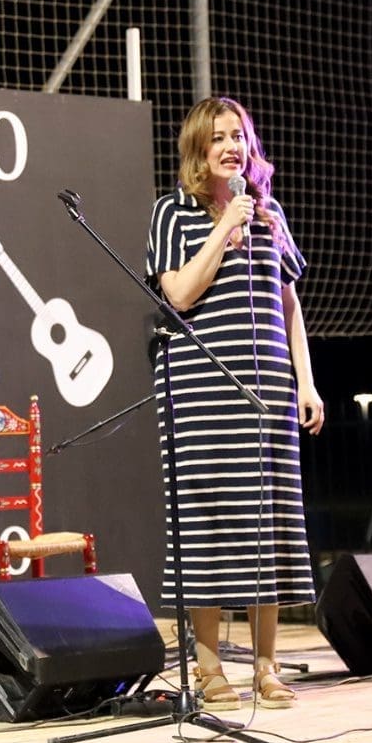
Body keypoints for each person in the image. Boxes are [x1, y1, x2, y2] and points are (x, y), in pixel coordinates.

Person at [145, 96, 324, 711]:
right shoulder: (171, 212)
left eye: (239, 136)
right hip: (200, 392)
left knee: (267, 525)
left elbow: (290, 307)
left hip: (268, 389)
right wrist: (224, 229)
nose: (231, 147)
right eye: (218, 137)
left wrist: (306, 382)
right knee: (209, 528)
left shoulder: (270, 213)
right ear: (197, 148)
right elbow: (180, 294)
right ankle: (210, 666)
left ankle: (267, 667)